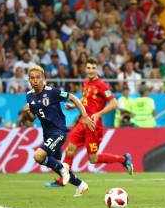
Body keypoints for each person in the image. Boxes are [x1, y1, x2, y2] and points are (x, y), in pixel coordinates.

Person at [46, 59, 133, 188]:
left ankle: (124, 159)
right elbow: (87, 99)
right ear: (85, 69)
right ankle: (62, 180)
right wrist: (75, 105)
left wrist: (99, 114)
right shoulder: (86, 82)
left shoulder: (102, 85)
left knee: (93, 159)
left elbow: (114, 103)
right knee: (70, 149)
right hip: (83, 122)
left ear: (96, 69)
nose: (90, 70)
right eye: (88, 68)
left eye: (93, 67)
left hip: (93, 126)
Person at [24, 66, 94, 197]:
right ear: (29, 80)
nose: (35, 81)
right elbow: (32, 118)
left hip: (59, 132)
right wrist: (27, 113)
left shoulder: (52, 92)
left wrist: (84, 116)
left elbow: (73, 97)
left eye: (38, 77)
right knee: (56, 165)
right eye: (32, 78)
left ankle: (63, 168)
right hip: (48, 134)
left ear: (43, 78)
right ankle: (80, 184)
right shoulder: (29, 96)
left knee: (39, 156)